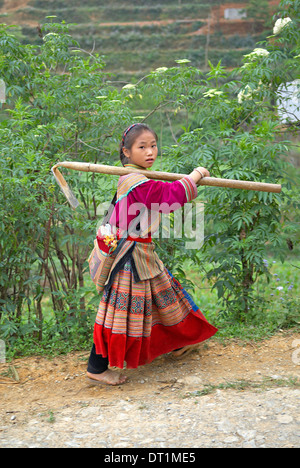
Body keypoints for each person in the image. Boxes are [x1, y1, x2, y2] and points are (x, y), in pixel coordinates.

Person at [86, 123, 217, 385]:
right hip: (129, 257)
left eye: (153, 145)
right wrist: (196, 175)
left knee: (166, 295)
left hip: (141, 250)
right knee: (119, 312)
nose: (150, 152)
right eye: (142, 147)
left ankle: (179, 342)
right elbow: (169, 197)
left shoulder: (138, 177)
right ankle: (96, 367)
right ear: (127, 152)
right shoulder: (135, 182)